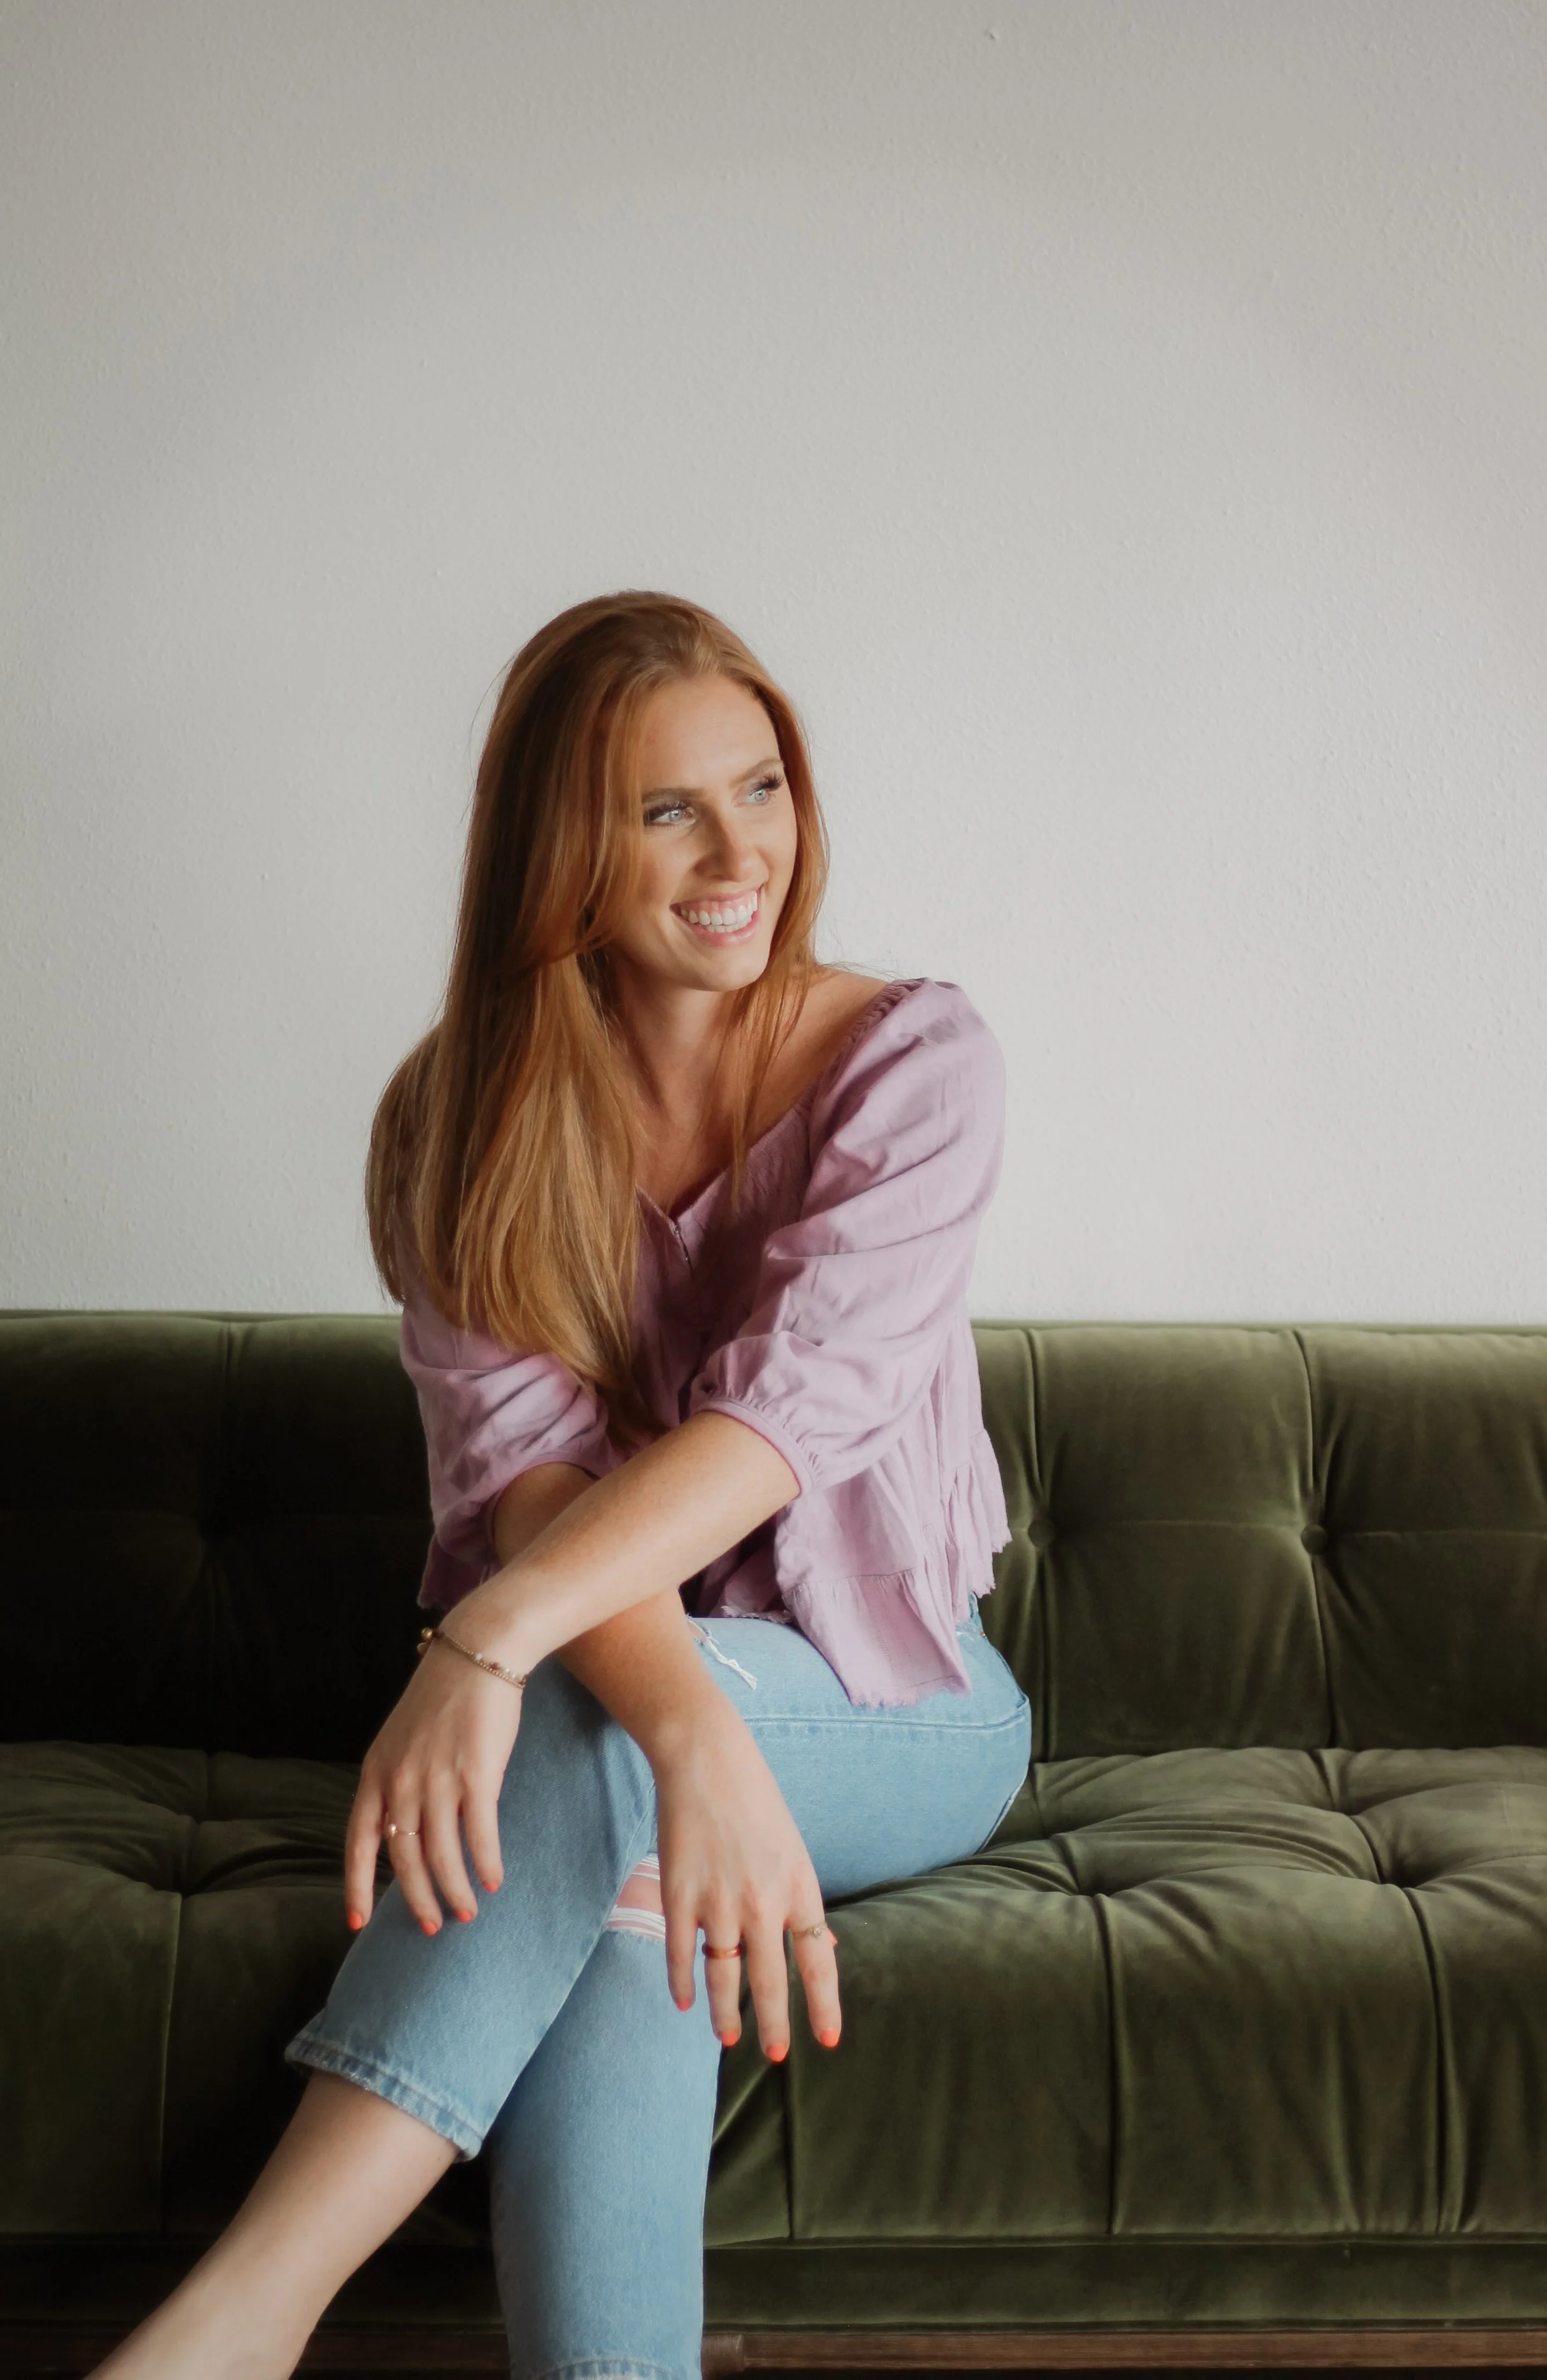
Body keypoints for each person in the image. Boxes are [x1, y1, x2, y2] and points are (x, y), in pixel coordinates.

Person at [94, 591, 1032, 2380]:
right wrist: (682, 1732)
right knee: (619, 1852)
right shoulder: (455, 1118)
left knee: (581, 1750)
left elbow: (782, 1423)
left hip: (894, 1700)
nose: (734, 850)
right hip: (619, 1719)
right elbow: (520, 1475)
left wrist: (486, 1654)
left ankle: (237, 2322)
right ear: (558, 850)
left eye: (758, 786)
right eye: (662, 808)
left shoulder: (916, 1064)